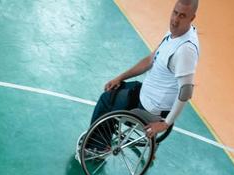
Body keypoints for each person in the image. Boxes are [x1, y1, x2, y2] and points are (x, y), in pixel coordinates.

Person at [85, 0, 200, 148]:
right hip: (146, 93)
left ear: (192, 18)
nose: (175, 20)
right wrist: (120, 77)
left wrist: (165, 124)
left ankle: (96, 148)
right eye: (175, 13)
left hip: (149, 108)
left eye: (182, 16)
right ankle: (103, 139)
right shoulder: (174, 33)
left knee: (107, 100)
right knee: (115, 89)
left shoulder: (185, 50)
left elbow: (186, 91)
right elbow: (150, 60)